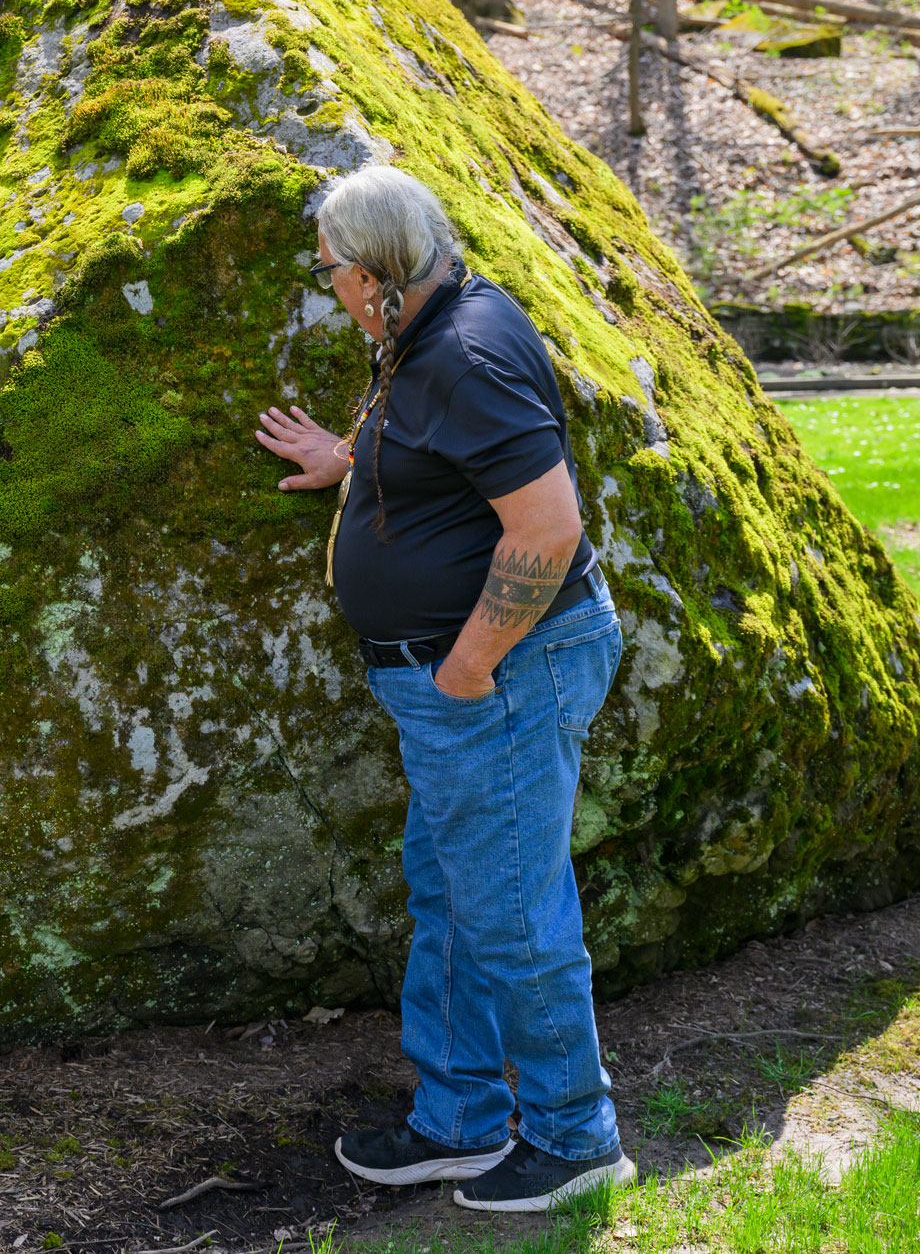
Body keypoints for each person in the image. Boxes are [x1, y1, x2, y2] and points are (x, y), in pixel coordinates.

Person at [254, 165, 635, 1213]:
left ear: (375, 272)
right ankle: (461, 1119)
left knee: (509, 909)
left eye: (329, 268)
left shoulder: (463, 350)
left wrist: (467, 665)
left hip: (497, 675)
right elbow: (440, 455)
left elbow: (547, 528)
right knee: (455, 896)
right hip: (458, 685)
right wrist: (352, 459)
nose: (324, 282)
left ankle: (573, 1135)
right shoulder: (422, 331)